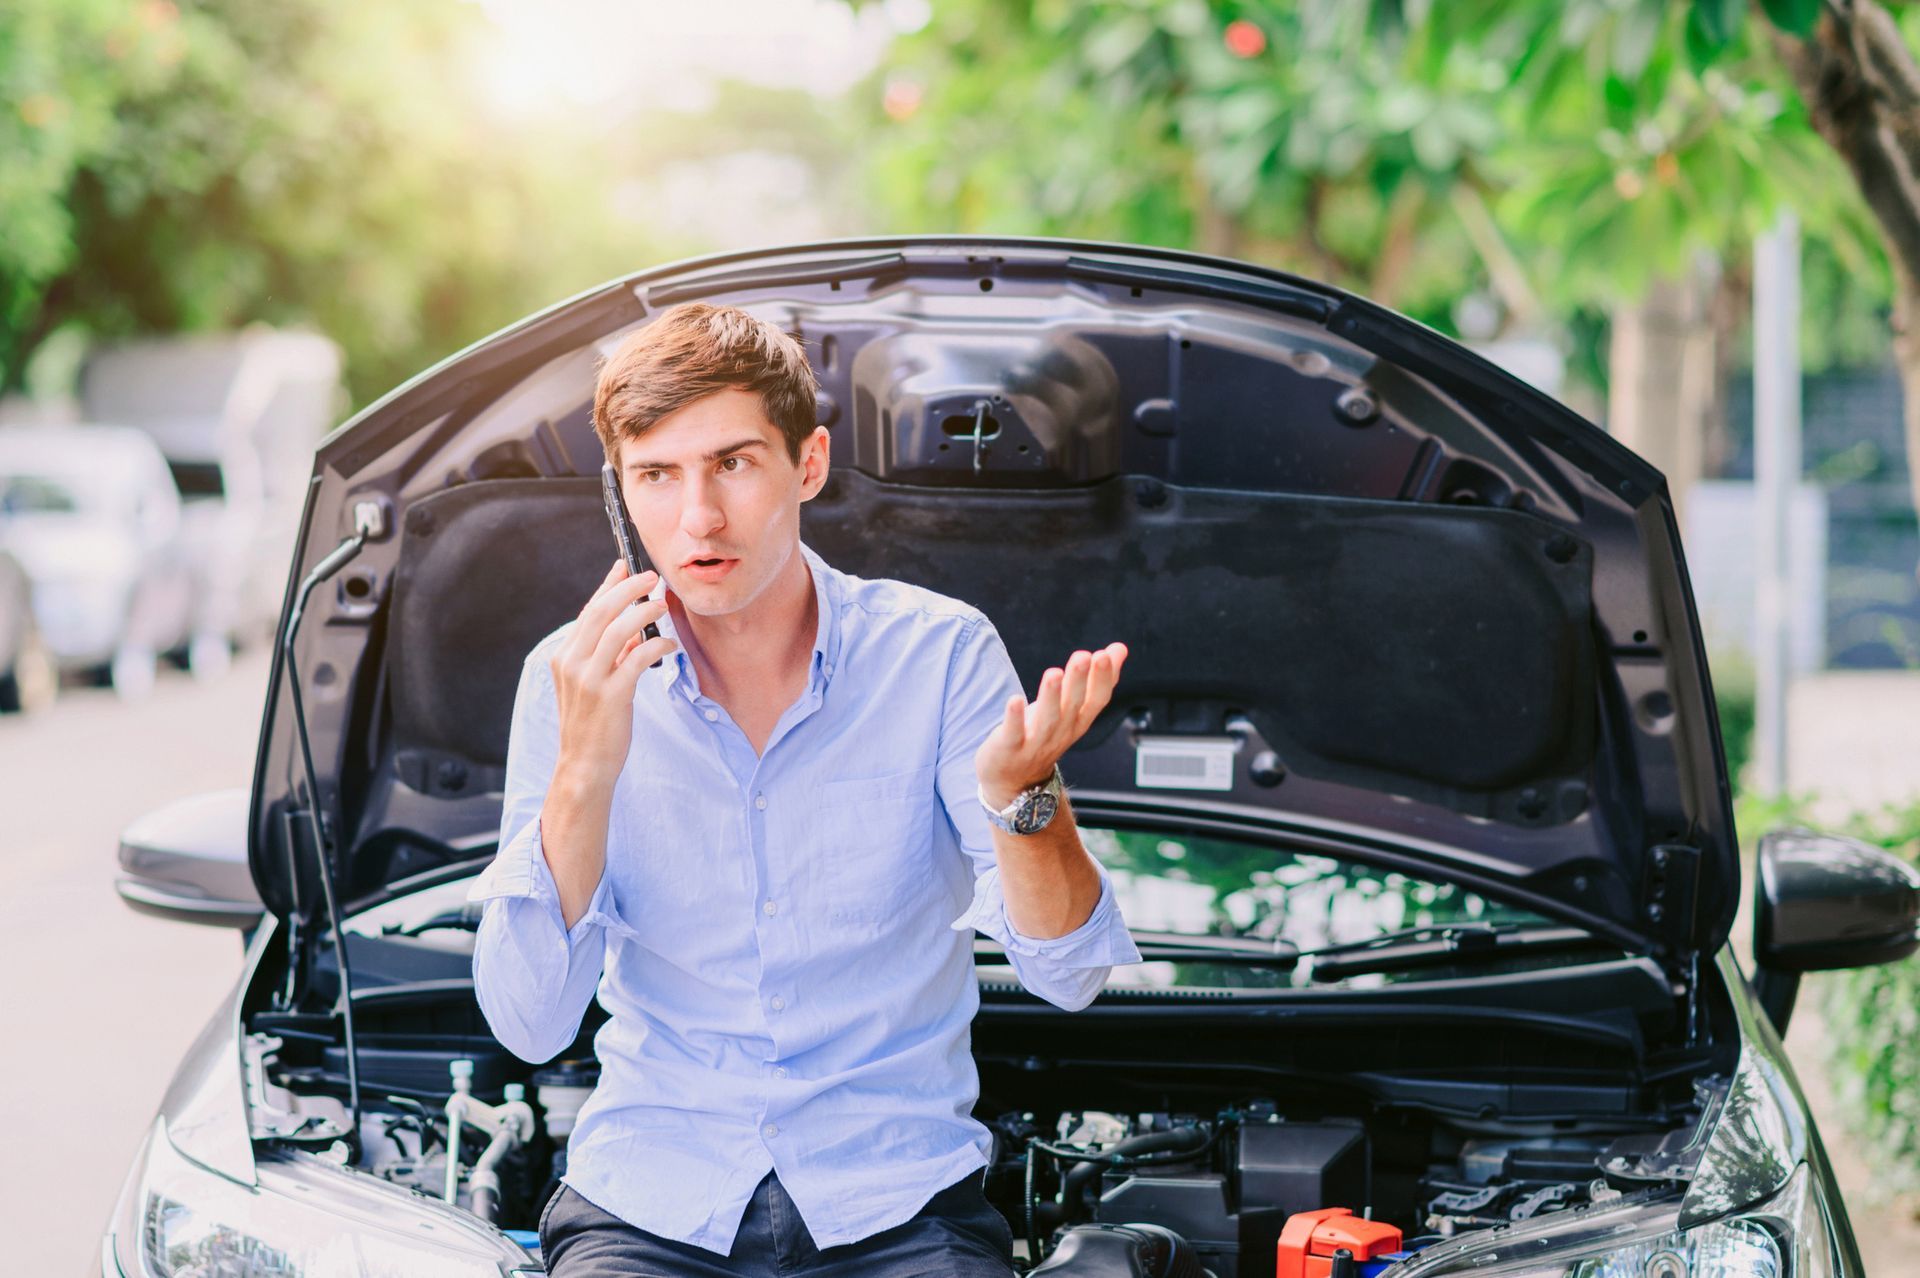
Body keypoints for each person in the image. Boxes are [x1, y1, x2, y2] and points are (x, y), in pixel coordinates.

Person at [468, 302, 1141, 1276]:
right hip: (649, 1203)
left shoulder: (942, 655)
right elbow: (528, 1023)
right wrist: (585, 768)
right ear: (620, 489)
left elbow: (1069, 976)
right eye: (656, 475)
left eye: (733, 464)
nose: (698, 518)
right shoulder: (569, 679)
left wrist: (1024, 794)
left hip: (899, 1204)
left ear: (809, 463)